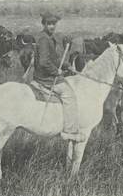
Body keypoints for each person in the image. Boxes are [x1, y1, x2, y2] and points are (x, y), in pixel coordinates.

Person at [33, 12, 85, 142]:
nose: (52, 26)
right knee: (70, 96)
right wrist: (57, 72)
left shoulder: (47, 37)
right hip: (46, 78)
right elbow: (44, 62)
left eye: (53, 24)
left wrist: (67, 66)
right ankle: (70, 132)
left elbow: (54, 58)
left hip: (44, 74)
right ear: (44, 24)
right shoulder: (45, 39)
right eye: (49, 24)